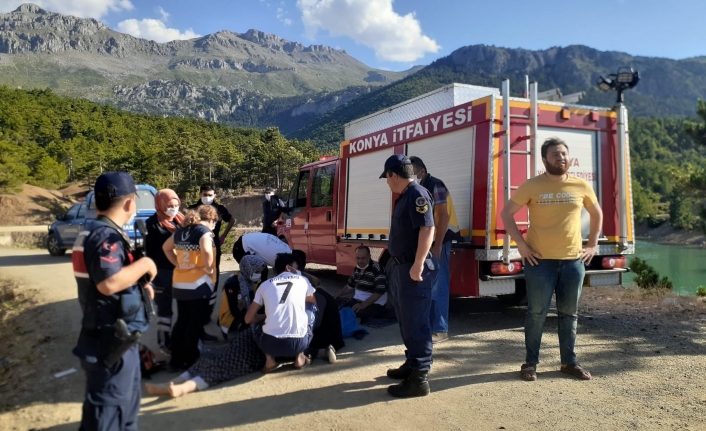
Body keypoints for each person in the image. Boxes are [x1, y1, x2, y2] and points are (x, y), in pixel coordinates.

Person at [500, 137, 603, 382]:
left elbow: (597, 213)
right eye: (555, 155)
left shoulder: (581, 186)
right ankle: (530, 363)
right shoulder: (531, 185)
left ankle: (569, 363)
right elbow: (506, 214)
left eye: (564, 154)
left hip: (572, 262)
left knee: (570, 314)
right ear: (545, 159)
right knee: (537, 313)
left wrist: (592, 245)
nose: (561, 158)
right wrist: (522, 247)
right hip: (540, 262)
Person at [71, 172, 156, 430]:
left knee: (124, 411)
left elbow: (114, 280)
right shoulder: (104, 237)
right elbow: (108, 283)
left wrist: (139, 287)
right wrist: (145, 264)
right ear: (130, 204)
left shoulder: (96, 232)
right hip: (110, 342)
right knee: (108, 416)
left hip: (118, 340)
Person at [379, 154, 437, 398]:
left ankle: (419, 378)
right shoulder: (405, 196)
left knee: (416, 322)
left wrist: (418, 263)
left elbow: (427, 228)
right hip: (401, 266)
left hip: (413, 268)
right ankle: (412, 364)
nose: (387, 182)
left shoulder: (417, 194)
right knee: (405, 319)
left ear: (393, 175)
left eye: (387, 177)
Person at [409, 156, 463, 344]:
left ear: (421, 171)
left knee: (438, 285)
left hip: (441, 240)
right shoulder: (421, 188)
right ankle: (433, 327)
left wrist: (438, 244)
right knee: (431, 285)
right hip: (432, 242)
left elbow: (444, 217)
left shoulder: (435, 185)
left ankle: (440, 330)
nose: (410, 176)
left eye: (412, 172)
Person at [162, 205, 218, 371]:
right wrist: (209, 267)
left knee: (181, 322)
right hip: (198, 284)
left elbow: (166, 248)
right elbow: (207, 251)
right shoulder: (204, 233)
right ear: (211, 219)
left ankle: (176, 360)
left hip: (180, 283)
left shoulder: (180, 232)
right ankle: (191, 359)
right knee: (194, 324)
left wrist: (179, 264)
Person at [144, 325, 266, 398]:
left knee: (219, 369)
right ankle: (171, 383)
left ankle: (182, 388)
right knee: (209, 358)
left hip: (250, 352)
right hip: (242, 344)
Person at [244, 253, 318, 372]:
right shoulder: (302, 280)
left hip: (269, 345)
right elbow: (312, 302)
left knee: (258, 324)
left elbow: (248, 319)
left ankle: (270, 360)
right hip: (298, 343)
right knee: (312, 307)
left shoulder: (264, 285)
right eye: (296, 267)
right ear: (288, 268)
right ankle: (300, 356)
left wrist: (265, 316)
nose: (297, 270)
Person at [188, 184, 234, 329]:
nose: (207, 197)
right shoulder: (192, 208)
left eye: (210, 195)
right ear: (200, 194)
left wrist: (223, 236)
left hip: (214, 247)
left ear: (214, 195)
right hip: (195, 249)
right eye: (204, 194)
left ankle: (208, 313)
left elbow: (231, 220)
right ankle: (196, 311)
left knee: (213, 279)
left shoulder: (220, 209)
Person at [145, 188, 184, 355]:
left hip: (181, 271)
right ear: (160, 204)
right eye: (169, 205)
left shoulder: (180, 220)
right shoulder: (152, 224)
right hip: (162, 272)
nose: (173, 208)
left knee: (185, 306)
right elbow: (149, 251)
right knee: (165, 308)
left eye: (176, 205)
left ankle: (182, 338)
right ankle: (164, 341)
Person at [232, 232, 321, 287]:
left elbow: (280, 272)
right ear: (295, 261)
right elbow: (281, 275)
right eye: (297, 267)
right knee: (257, 274)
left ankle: (258, 294)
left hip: (246, 241)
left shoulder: (286, 250)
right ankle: (252, 297)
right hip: (241, 248)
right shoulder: (281, 256)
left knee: (263, 272)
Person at [218, 254, 267, 338]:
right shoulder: (232, 284)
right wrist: (253, 317)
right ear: (249, 269)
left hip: (245, 312)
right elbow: (234, 310)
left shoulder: (250, 281)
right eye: (257, 271)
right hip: (231, 318)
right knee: (252, 330)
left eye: (260, 272)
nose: (259, 274)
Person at [335, 245, 389, 321]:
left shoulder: (377, 269)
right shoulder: (357, 268)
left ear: (369, 257)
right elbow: (349, 287)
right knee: (335, 305)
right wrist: (336, 295)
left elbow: (379, 292)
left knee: (355, 312)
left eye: (363, 258)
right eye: (358, 258)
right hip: (356, 300)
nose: (360, 261)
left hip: (374, 304)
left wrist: (363, 305)